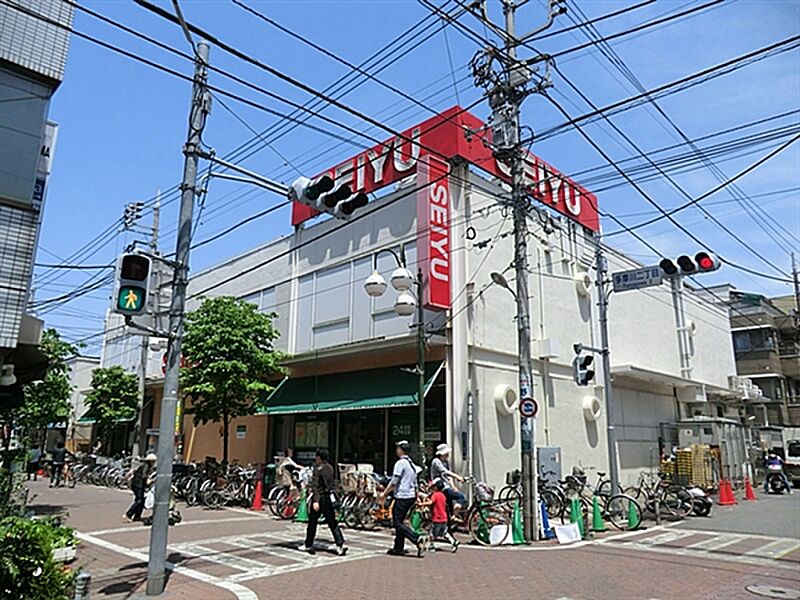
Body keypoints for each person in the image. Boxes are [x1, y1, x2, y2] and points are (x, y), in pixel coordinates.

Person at [380, 440, 427, 558]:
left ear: (401, 450)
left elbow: (394, 481)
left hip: (402, 496)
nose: (396, 450)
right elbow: (415, 482)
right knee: (400, 521)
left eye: (398, 448)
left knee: (396, 522)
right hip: (410, 496)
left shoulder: (400, 463)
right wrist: (417, 495)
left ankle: (416, 538)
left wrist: (384, 493)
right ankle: (398, 547)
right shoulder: (411, 463)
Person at [300, 449, 347, 556]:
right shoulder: (330, 468)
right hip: (329, 498)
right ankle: (340, 544)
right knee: (332, 522)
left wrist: (315, 501)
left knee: (312, 522)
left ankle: (308, 544)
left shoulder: (318, 469)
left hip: (320, 498)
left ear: (319, 458)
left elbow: (316, 486)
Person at [421, 479, 459, 552]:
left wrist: (422, 504)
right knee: (444, 532)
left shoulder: (435, 495)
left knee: (432, 532)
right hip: (444, 518)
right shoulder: (443, 495)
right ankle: (453, 542)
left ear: (436, 487)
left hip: (437, 518)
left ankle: (431, 546)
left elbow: (431, 502)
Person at [430, 443, 467, 518]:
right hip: (439, 487)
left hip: (446, 486)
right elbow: (445, 471)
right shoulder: (436, 461)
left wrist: (453, 487)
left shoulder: (446, 462)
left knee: (449, 504)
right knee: (461, 497)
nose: (447, 455)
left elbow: (449, 477)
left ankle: (450, 519)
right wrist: (457, 477)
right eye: (446, 453)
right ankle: (454, 516)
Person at [124, 453, 156, 522]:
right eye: (153, 461)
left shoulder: (146, 466)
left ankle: (137, 516)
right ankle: (128, 514)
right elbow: (144, 475)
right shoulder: (146, 466)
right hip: (138, 484)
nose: (154, 463)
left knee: (141, 501)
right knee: (139, 501)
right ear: (150, 461)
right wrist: (149, 480)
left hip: (138, 484)